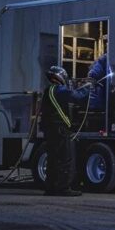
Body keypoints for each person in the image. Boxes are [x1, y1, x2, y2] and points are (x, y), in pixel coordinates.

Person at [39, 65, 90, 196]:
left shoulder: (49, 90)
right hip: (59, 130)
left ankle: (50, 188)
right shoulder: (59, 90)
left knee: (53, 159)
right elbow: (77, 97)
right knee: (65, 159)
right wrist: (88, 88)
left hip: (51, 130)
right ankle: (63, 188)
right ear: (61, 77)